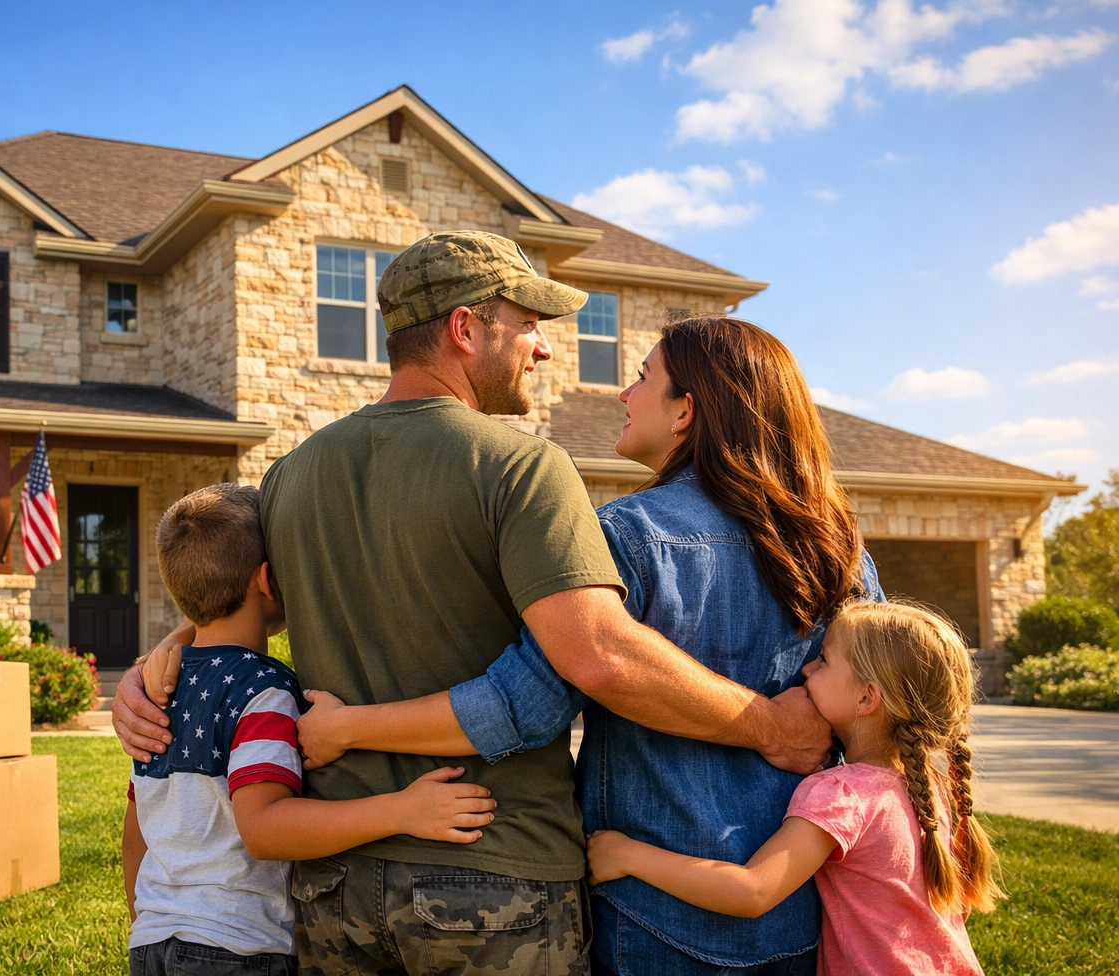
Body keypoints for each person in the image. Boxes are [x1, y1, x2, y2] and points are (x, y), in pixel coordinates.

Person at [115, 232, 832, 976]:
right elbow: (595, 653)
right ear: (466, 329)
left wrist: (165, 662)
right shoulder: (522, 468)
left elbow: (235, 593)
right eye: (527, 325)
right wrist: (773, 727)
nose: (544, 349)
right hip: (496, 877)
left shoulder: (291, 478)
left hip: (335, 887)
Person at [295, 316, 881, 974]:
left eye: (641, 378)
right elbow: (884, 714)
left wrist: (347, 728)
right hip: (796, 907)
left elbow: (525, 704)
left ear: (686, 411)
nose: (622, 395)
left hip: (648, 905)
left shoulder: (624, 536)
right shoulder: (839, 548)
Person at [123, 483, 498, 976]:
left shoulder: (158, 688)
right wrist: (402, 809)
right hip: (237, 949)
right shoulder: (264, 690)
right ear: (269, 579)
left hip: (151, 940)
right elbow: (264, 828)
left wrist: (149, 919)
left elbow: (136, 831)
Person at [588, 600, 1000, 976]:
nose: (806, 669)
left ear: (866, 698)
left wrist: (625, 854)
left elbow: (752, 891)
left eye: (823, 661)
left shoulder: (843, 794)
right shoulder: (931, 788)